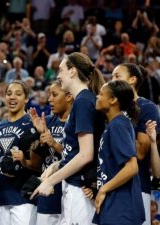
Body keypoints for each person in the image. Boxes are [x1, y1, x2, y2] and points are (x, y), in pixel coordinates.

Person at [32, 52, 105, 224]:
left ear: (72, 71)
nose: (58, 75)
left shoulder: (83, 101)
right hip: (74, 186)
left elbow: (86, 154)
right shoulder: (84, 100)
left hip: (80, 190)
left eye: (61, 70)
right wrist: (56, 166)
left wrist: (51, 181)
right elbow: (75, 151)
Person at [0, 80, 41, 225]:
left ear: (26, 98)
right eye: (9, 93)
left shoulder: (33, 124)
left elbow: (39, 166)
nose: (12, 97)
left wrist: (23, 161)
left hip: (23, 198)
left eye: (18, 94)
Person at [112, 63, 160, 225]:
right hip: (108, 185)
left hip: (136, 187)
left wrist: (115, 121)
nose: (112, 81)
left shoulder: (147, 107)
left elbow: (140, 151)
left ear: (132, 80)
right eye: (111, 76)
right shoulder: (108, 107)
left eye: (117, 76)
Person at [93, 80, 145, 224]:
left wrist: (103, 189)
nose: (97, 96)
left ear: (113, 100)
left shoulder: (118, 125)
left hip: (121, 208)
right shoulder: (115, 124)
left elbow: (132, 167)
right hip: (116, 205)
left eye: (101, 94)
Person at [30, 80, 73, 225]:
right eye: (49, 95)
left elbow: (78, 156)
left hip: (72, 191)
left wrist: (54, 144)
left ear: (69, 96)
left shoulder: (78, 122)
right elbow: (35, 162)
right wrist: (39, 140)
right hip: (48, 194)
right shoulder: (46, 121)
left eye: (54, 95)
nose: (49, 99)